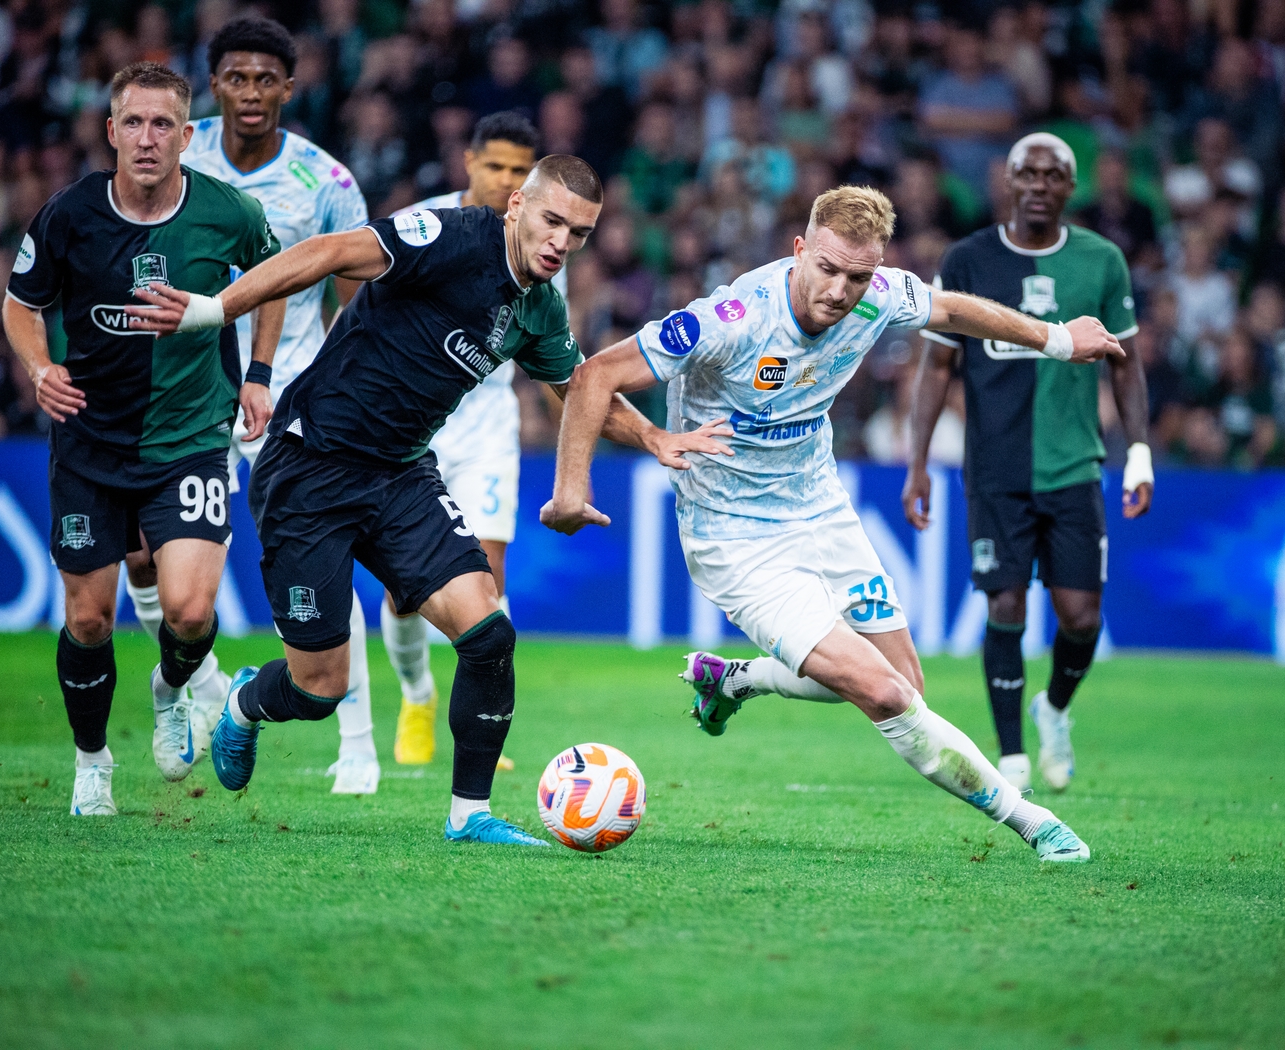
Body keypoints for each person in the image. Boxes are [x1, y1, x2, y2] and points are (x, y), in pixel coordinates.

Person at [128, 156, 722, 846]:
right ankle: (245, 701)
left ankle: (469, 814)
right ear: (516, 208)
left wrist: (653, 436)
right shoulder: (450, 237)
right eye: (552, 220)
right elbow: (328, 252)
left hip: (401, 476)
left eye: (579, 233)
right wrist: (214, 309)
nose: (561, 242)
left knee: (489, 634)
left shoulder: (539, 309)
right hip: (310, 468)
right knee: (318, 689)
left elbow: (580, 389)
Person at [542, 185, 1124, 862]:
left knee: (906, 685)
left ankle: (735, 680)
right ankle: (1031, 821)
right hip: (737, 539)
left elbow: (952, 310)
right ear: (800, 250)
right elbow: (593, 376)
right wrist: (572, 489)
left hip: (820, 509)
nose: (841, 291)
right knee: (884, 693)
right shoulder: (731, 320)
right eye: (827, 269)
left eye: (858, 276)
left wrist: (1056, 339)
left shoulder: (879, 294)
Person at [0, 62, 283, 814]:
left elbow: (275, 279)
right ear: (111, 131)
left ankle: (171, 684)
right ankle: (92, 762)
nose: (147, 138)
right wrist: (39, 368)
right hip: (90, 442)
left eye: (163, 124)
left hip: (191, 437)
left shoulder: (228, 211)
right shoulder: (70, 214)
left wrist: (258, 374)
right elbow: (19, 304)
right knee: (88, 618)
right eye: (133, 122)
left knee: (189, 613)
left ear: (187, 136)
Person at [135, 17, 377, 795]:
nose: (249, 92)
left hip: (291, 395)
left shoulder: (325, 182)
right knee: (142, 552)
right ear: (214, 84)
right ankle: (204, 688)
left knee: (323, 553)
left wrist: (335, 387)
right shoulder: (177, 152)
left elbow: (358, 302)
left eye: (264, 79)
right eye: (236, 77)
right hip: (183, 389)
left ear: (288, 89)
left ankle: (358, 745)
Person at [903, 133, 1153, 795]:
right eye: (1027, 172)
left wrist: (1139, 454)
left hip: (1074, 467)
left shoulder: (1101, 261)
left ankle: (1055, 709)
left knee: (1081, 617)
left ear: (1070, 187)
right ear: (1007, 182)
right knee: (1005, 604)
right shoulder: (966, 260)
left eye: (1053, 174)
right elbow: (937, 367)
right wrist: (917, 463)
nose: (1039, 184)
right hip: (994, 471)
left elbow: (1127, 367)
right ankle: (1012, 757)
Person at [381, 112, 548, 772]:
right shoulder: (424, 225)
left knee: (486, 576)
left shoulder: (542, 241)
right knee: (403, 592)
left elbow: (544, 340)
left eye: (519, 170)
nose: (506, 179)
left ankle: (477, 725)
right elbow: (359, 290)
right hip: (411, 425)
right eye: (495, 165)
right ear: (469, 162)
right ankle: (416, 695)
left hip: (485, 430)